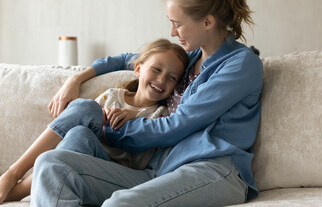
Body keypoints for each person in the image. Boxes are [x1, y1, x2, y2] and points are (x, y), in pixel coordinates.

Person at [30, 0, 263, 207]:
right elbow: (130, 59)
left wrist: (106, 127)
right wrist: (76, 79)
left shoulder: (240, 64)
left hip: (213, 170)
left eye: (178, 24)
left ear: (207, 22)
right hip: (161, 169)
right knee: (51, 165)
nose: (172, 32)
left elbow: (180, 123)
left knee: (119, 205)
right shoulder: (189, 59)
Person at [0, 38, 188, 203]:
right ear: (138, 69)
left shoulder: (162, 115)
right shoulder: (113, 96)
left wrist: (136, 118)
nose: (161, 79)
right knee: (79, 130)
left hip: (117, 175)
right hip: (87, 160)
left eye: (171, 78)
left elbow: (139, 162)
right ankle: (14, 174)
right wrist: (100, 116)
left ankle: (17, 190)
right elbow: (87, 128)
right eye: (156, 69)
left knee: (84, 115)